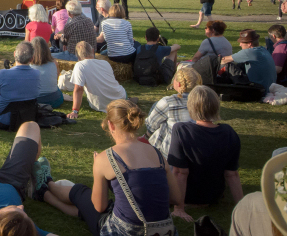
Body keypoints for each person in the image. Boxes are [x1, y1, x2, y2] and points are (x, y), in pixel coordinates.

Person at [40, 99, 185, 234]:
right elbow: (176, 199)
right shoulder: (157, 154)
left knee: (82, 193)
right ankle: (46, 194)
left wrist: (97, 169)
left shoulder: (107, 158)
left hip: (124, 230)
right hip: (162, 231)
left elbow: (99, 207)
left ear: (110, 125)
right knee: (99, 208)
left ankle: (47, 184)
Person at [168, 85, 242, 215]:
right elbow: (232, 174)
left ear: (191, 107)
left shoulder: (181, 130)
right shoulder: (229, 132)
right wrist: (242, 207)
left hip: (188, 196)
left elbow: (180, 173)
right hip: (213, 196)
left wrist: (179, 208)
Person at [145, 67, 202, 157]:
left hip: (171, 152)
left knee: (162, 121)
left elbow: (151, 125)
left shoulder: (168, 102)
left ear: (178, 83)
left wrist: (147, 135)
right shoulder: (203, 101)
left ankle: (152, 149)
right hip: (197, 149)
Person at [67, 42, 126, 118]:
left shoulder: (80, 65)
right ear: (92, 51)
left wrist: (75, 111)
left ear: (77, 55)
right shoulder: (105, 63)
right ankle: (127, 100)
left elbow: (78, 89)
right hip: (120, 97)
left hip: (100, 104)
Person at [29, 37, 63, 108]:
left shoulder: (27, 65)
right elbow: (56, 80)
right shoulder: (54, 63)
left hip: (34, 100)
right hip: (54, 100)